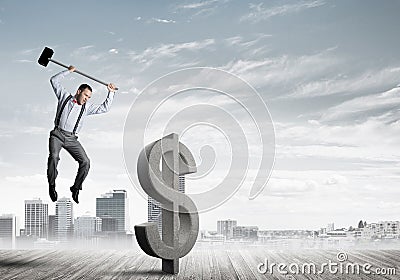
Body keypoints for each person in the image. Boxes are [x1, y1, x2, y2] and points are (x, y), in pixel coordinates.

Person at [47, 66, 116, 204]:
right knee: (54, 157)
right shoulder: (64, 97)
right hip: (57, 135)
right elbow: (54, 80)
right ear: (78, 91)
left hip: (72, 139)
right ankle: (52, 185)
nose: (86, 99)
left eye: (89, 97)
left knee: (86, 162)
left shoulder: (87, 108)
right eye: (85, 95)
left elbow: (105, 108)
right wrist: (69, 71)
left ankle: (76, 188)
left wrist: (111, 93)